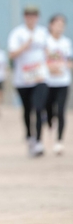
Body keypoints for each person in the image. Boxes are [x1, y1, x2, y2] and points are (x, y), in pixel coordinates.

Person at [8, 6, 49, 157]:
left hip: (40, 77)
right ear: (24, 17)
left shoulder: (43, 33)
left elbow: (49, 52)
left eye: (34, 16)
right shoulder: (17, 33)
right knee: (27, 109)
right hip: (23, 79)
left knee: (38, 108)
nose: (31, 18)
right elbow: (12, 54)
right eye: (28, 16)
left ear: (38, 17)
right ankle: (29, 135)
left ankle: (38, 140)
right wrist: (25, 46)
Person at [46, 14, 72, 155]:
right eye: (57, 24)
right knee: (49, 109)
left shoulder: (66, 43)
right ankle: (50, 123)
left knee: (61, 111)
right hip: (48, 82)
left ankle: (59, 141)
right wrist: (49, 68)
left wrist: (63, 66)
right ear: (51, 25)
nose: (59, 28)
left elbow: (70, 61)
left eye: (62, 25)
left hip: (63, 82)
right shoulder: (45, 42)